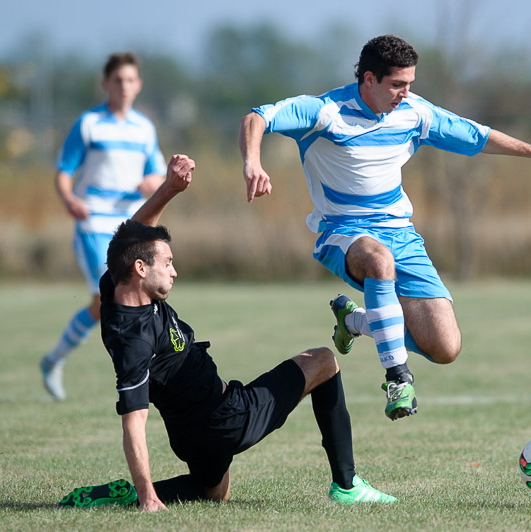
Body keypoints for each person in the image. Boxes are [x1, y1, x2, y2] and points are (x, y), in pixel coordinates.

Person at [239, 35, 531, 421]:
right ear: (369, 79)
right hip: (343, 232)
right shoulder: (325, 112)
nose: (405, 93)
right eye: (397, 85)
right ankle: (398, 378)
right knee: (378, 261)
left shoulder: (414, 112)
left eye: (410, 84)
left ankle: (354, 321)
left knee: (445, 348)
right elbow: (257, 118)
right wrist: (253, 162)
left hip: (401, 235)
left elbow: (475, 135)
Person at [58, 154, 397, 511]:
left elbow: (132, 237)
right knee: (324, 361)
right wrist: (149, 500)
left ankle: (126, 495)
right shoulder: (134, 342)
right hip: (226, 419)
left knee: (214, 493)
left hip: (189, 435)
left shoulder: (117, 288)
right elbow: (133, 422)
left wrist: (169, 189)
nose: (174, 271)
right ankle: (347, 485)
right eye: (168, 263)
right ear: (141, 269)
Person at [41, 52, 167, 401]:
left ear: (138, 85)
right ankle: (130, 371)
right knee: (109, 296)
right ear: (106, 84)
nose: (124, 86)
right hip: (93, 222)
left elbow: (157, 173)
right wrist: (69, 199)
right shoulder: (89, 124)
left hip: (131, 226)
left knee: (117, 301)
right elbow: (64, 172)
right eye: (118, 80)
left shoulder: (144, 128)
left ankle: (54, 360)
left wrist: (152, 181)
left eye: (130, 80)